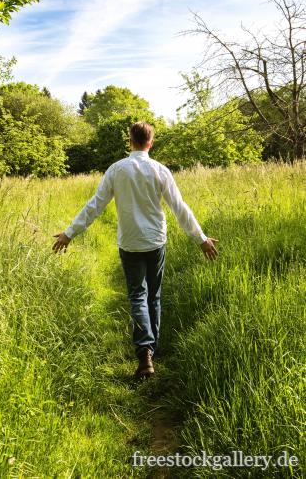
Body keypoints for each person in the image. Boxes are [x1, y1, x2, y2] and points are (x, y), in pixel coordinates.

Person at [53, 122, 218, 378]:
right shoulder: (160, 170)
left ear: (130, 141)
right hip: (155, 242)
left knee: (138, 295)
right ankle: (151, 348)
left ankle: (145, 352)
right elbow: (179, 208)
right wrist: (201, 239)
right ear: (150, 142)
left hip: (130, 243)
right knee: (153, 296)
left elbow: (95, 205)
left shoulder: (117, 170)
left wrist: (69, 233)